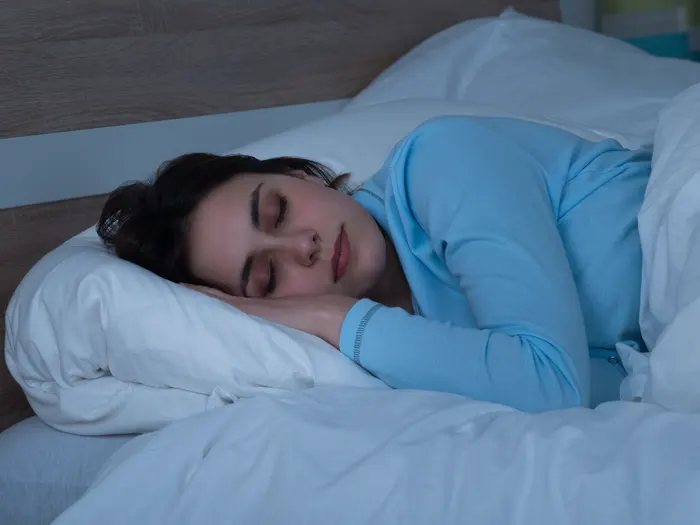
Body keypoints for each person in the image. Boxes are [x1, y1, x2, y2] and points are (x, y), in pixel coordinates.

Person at [97, 116, 651, 412]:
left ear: (299, 174)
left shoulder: (442, 161)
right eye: (268, 277)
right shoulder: (374, 357)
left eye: (279, 210)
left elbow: (553, 388)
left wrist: (331, 316)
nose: (302, 246)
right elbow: (613, 386)